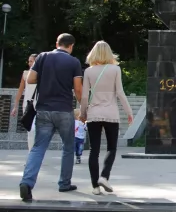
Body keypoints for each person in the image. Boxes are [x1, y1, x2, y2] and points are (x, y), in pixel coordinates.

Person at [19, 34, 83, 202]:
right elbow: (78, 88)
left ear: (57, 43)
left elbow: (30, 79)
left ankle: (27, 182)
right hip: (64, 110)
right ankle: (64, 183)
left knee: (38, 147)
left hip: (44, 110)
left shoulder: (43, 57)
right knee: (68, 147)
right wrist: (84, 107)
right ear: (71, 46)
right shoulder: (74, 62)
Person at [79, 41, 133, 195]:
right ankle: (104, 176)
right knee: (111, 147)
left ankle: (95, 187)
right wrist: (129, 112)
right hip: (111, 114)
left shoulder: (89, 72)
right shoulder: (115, 69)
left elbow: (84, 97)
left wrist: (83, 113)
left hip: (94, 114)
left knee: (94, 150)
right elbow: (120, 93)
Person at [10, 54, 38, 151]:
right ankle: (31, 153)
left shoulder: (42, 73)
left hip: (39, 104)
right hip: (27, 104)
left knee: (37, 129)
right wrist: (15, 106)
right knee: (30, 129)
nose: (30, 63)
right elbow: (20, 90)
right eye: (29, 61)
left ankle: (37, 153)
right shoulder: (26, 73)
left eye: (32, 61)